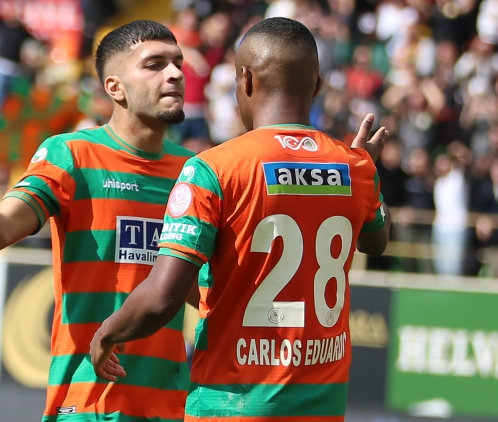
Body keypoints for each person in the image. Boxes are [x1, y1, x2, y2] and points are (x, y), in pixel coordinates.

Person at [0, 20, 196, 422]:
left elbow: (203, 290)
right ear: (115, 87)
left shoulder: (194, 172)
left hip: (171, 410)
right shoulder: (72, 155)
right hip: (87, 406)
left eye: (178, 63)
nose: (175, 74)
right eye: (155, 64)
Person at [90, 17, 391, 421]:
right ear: (318, 85)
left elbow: (161, 299)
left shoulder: (214, 168)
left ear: (245, 80)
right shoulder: (355, 167)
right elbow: (377, 241)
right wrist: (366, 171)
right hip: (323, 409)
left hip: (231, 405)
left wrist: (107, 332)